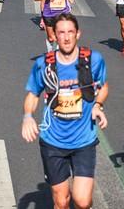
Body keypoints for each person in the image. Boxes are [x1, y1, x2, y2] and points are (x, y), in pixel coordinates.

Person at [21, 13, 108, 209]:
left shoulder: (93, 60)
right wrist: (27, 117)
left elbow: (103, 86)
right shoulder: (44, 64)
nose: (67, 37)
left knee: (82, 201)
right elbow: (33, 95)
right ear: (54, 36)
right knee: (61, 201)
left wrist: (98, 105)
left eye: (70, 32)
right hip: (53, 141)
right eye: (62, 33)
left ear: (78, 34)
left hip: (83, 141)